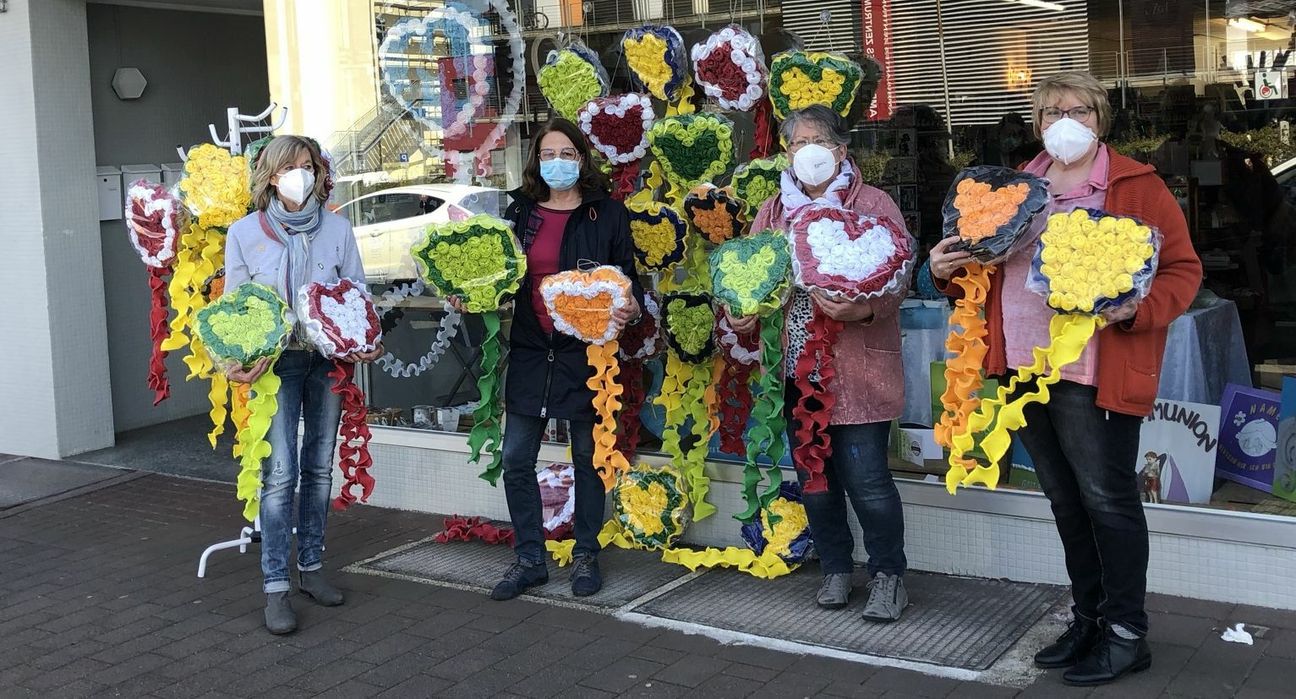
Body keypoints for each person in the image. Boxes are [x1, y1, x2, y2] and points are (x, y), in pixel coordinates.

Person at [929, 71, 1202, 686]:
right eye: (1051, 111)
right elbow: (978, 270)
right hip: (1023, 367)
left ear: (1101, 119)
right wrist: (945, 268)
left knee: (1108, 500)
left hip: (1094, 371)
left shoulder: (1135, 184)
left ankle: (1127, 632)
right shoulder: (1013, 187)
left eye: (1078, 109)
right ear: (1037, 122)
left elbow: (1182, 270)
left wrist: (1138, 309)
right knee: (1064, 499)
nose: (1065, 120)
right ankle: (1089, 617)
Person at [727, 104, 913, 622]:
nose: (806, 151)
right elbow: (750, 277)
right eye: (796, 143)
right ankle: (835, 567)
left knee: (869, 481)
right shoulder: (772, 212)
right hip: (794, 372)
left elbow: (900, 272)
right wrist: (742, 314)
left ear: (840, 149)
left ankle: (887, 577)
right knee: (817, 480)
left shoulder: (873, 203)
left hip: (856, 371)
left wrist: (868, 306)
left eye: (818, 141)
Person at [462, 118, 641, 601]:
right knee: (517, 457)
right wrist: (472, 293)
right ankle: (529, 559)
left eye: (566, 153)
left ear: (581, 159)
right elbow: (496, 277)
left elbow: (630, 283)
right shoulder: (519, 213)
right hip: (529, 350)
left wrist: (630, 305)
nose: (556, 162)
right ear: (536, 162)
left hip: (587, 355)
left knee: (588, 458)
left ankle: (585, 555)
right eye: (547, 154)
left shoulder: (607, 214)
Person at [224, 135, 383, 634]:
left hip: (326, 362)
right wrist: (234, 359)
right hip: (276, 366)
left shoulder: (337, 227)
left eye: (309, 165)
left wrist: (368, 338)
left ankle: (311, 569)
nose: (302, 174)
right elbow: (235, 308)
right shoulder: (245, 233)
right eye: (292, 166)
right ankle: (275, 587)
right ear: (271, 176)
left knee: (318, 468)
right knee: (280, 477)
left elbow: (356, 292)